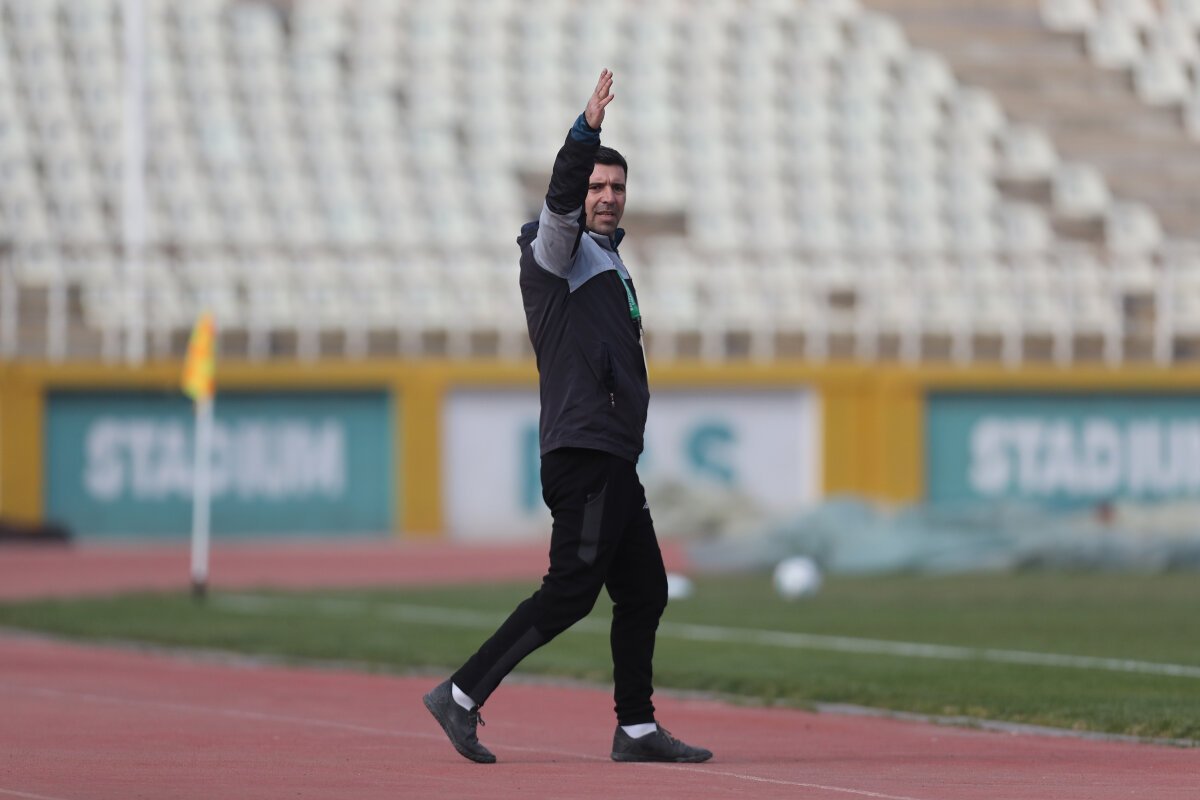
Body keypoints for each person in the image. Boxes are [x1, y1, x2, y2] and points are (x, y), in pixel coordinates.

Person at [423, 69, 712, 765]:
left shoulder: (608, 262)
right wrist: (586, 132)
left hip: (612, 454)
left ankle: (635, 728)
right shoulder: (557, 251)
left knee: (644, 591)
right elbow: (558, 199)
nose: (607, 196)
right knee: (571, 592)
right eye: (597, 187)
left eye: (617, 187)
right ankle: (460, 694)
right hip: (585, 452)